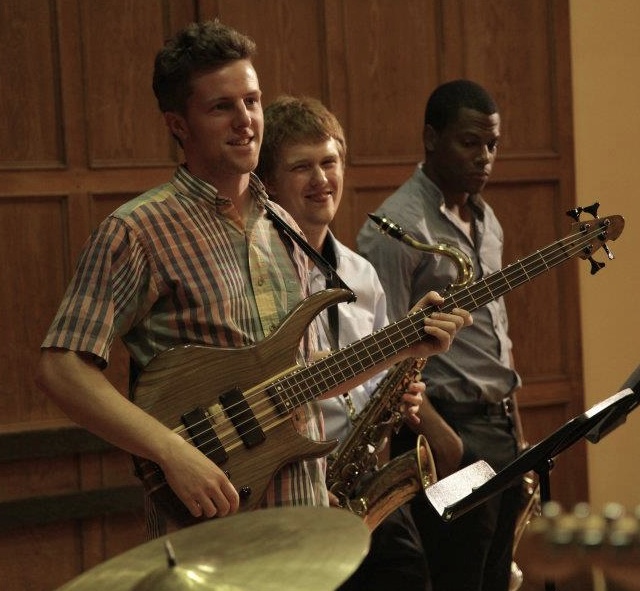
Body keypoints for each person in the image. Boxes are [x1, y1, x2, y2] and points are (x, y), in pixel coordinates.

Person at [34, 20, 470, 541]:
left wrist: (403, 344)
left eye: (252, 101)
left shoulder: (284, 226)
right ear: (178, 125)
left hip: (304, 521)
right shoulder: (138, 231)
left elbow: (304, 378)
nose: (245, 121)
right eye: (222, 107)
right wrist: (171, 452)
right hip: (213, 530)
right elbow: (61, 368)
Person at [257, 95, 435, 591]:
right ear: (268, 183)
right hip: (295, 493)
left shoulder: (362, 274)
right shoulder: (260, 279)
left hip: (363, 483)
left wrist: (397, 394)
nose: (321, 179)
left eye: (330, 162)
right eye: (302, 167)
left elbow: (371, 382)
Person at [357, 79, 525, 591]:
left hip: (497, 426)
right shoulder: (396, 227)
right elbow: (382, 349)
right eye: (470, 142)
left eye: (492, 144)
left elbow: (496, 332)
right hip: (445, 429)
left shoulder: (486, 218)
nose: (484, 157)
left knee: (495, 577)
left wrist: (514, 428)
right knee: (457, 577)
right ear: (432, 138)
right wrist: (445, 443)